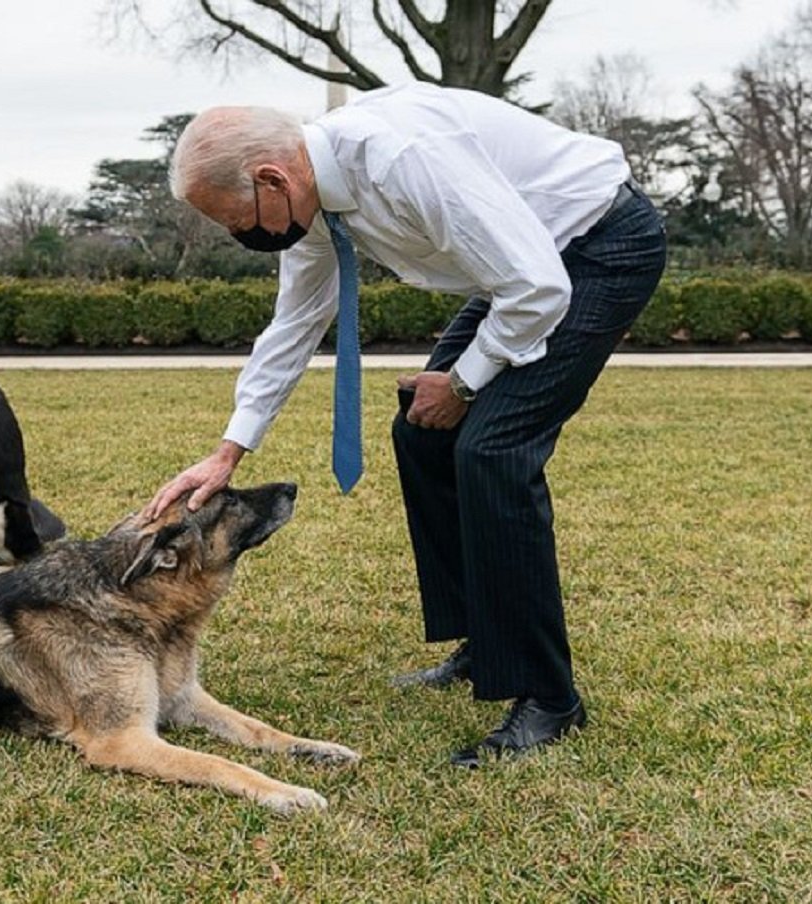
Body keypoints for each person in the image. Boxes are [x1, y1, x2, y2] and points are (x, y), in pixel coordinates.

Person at [143, 82, 667, 766]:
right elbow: (296, 322)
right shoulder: (312, 204)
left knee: (492, 450)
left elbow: (539, 287)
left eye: (236, 221)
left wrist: (465, 381)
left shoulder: (402, 158)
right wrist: (228, 453)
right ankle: (486, 642)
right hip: (524, 268)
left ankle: (549, 698)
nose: (241, 236)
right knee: (424, 434)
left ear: (272, 178)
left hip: (596, 250)